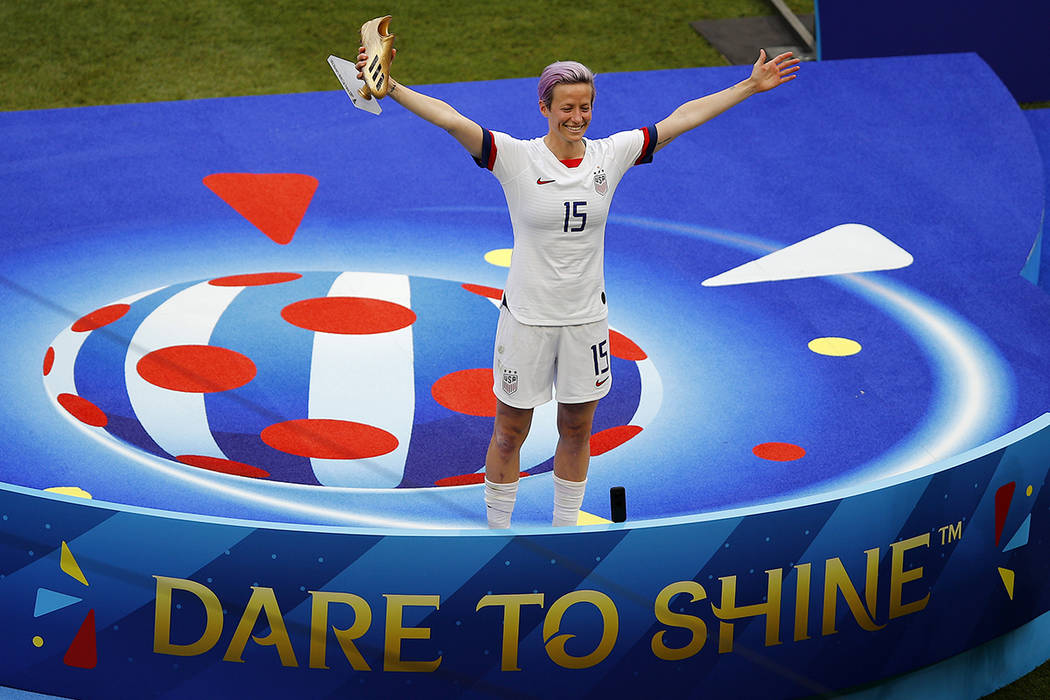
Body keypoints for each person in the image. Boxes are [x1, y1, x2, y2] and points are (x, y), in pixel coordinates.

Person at [356, 42, 799, 529]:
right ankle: (496, 531)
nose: (577, 116)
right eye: (566, 107)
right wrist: (391, 87)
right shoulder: (515, 159)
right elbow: (450, 118)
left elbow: (683, 118)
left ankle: (566, 528)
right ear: (544, 108)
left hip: (586, 321)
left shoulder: (612, 155)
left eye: (585, 107)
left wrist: (750, 85)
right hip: (526, 320)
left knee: (577, 427)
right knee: (509, 432)